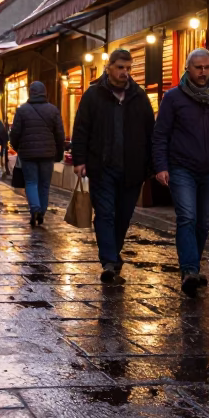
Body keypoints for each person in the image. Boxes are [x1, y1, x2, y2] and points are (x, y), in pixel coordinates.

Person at [153, 47, 209, 295]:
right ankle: (190, 269)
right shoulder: (173, 98)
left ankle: (192, 266)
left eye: (207, 67)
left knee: (203, 222)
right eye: (198, 68)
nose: (203, 72)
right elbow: (160, 135)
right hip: (182, 167)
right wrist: (161, 166)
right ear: (187, 68)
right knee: (187, 217)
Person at [69, 48, 155, 283]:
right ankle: (108, 260)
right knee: (105, 213)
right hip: (102, 166)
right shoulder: (93, 95)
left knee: (123, 215)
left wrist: (151, 164)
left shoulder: (139, 96)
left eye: (128, 68)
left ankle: (113, 255)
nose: (124, 72)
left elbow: (151, 132)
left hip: (132, 168)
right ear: (109, 68)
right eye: (120, 67)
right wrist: (80, 160)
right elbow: (81, 129)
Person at [9, 81, 65, 227]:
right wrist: (59, 152)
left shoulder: (22, 110)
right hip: (47, 154)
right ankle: (42, 212)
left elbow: (15, 133)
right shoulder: (53, 110)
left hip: (27, 154)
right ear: (44, 92)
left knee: (31, 182)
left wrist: (18, 148)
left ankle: (34, 209)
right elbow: (60, 134)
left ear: (30, 93)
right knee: (44, 184)